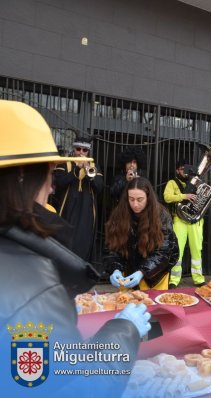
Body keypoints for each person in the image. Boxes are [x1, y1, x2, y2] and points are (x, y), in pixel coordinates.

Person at [0, 100, 149, 397]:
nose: (52, 184)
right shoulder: (32, 283)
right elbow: (74, 385)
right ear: (22, 177)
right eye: (49, 171)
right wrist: (124, 331)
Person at [104, 177, 179, 290]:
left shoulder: (161, 216)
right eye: (131, 199)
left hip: (155, 275)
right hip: (128, 273)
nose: (135, 204)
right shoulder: (119, 214)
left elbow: (164, 252)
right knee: (126, 304)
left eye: (140, 199)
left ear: (148, 198)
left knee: (154, 306)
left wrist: (142, 272)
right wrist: (115, 269)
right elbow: (112, 248)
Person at [52, 137, 104, 262]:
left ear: (88, 152)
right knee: (66, 239)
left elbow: (100, 187)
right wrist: (76, 169)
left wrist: (88, 174)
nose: (81, 152)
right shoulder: (65, 164)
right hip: (69, 207)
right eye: (78, 149)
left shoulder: (94, 166)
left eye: (85, 150)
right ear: (73, 149)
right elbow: (59, 183)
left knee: (84, 240)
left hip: (87, 209)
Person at [163, 160, 205, 288]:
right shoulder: (172, 182)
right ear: (177, 170)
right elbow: (167, 197)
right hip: (179, 220)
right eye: (181, 169)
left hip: (195, 221)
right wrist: (184, 196)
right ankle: (174, 279)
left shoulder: (197, 182)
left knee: (197, 250)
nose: (184, 172)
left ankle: (198, 279)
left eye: (186, 169)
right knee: (177, 250)